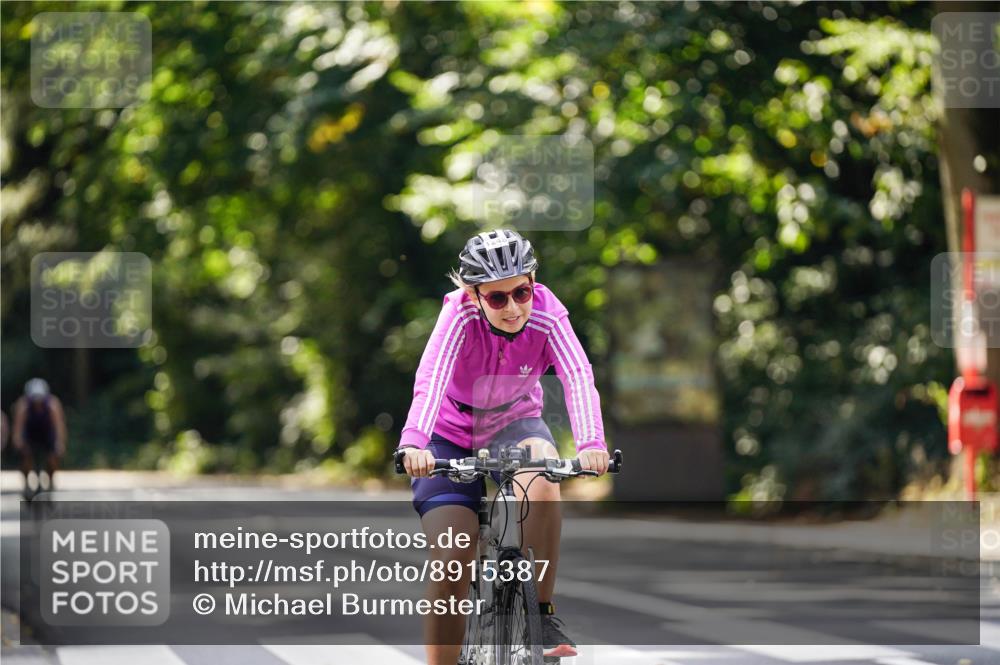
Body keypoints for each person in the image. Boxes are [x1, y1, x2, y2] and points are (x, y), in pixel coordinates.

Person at [397, 229, 610, 665]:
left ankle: (542, 615)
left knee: (545, 481)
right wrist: (414, 443)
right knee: (453, 558)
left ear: (534, 283)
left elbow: (578, 378)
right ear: (474, 296)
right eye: (497, 299)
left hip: (515, 422)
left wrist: (591, 442)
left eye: (521, 292)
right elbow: (431, 379)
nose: (513, 307)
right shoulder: (457, 316)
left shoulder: (548, 313)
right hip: (448, 434)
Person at [12, 378, 67, 499]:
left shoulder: (53, 404)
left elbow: (59, 426)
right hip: (31, 433)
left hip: (47, 433)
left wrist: (60, 443)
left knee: (53, 457)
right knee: (25, 456)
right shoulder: (23, 405)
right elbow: (18, 427)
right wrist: (19, 443)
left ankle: (51, 481)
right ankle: (26, 485)